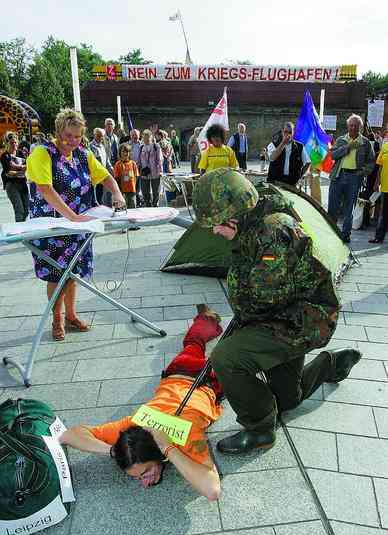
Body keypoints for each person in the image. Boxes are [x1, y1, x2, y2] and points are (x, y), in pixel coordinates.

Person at [192, 168, 362, 455]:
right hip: (282, 315)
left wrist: (241, 327)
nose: (215, 231)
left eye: (217, 224)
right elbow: (257, 298)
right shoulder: (251, 227)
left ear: (235, 215)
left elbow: (263, 296)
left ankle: (259, 429)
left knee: (227, 358)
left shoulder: (273, 231)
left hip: (302, 320)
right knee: (287, 400)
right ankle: (331, 365)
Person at [59, 305, 223, 500]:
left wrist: (168, 448)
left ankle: (206, 318)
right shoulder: (133, 427)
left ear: (156, 451)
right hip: (177, 371)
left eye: (145, 473)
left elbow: (212, 490)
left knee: (213, 349)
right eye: (139, 478)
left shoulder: (186, 434)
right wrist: (113, 451)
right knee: (193, 343)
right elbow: (69, 435)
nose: (145, 483)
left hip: (210, 379)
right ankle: (206, 319)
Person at [26, 108, 125, 341]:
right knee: (55, 274)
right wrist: (72, 216)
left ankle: (71, 315)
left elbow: (106, 177)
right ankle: (57, 319)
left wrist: (118, 195)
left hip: (78, 225)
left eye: (78, 136)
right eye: (68, 135)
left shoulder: (83, 154)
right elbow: (45, 189)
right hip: (53, 226)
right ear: (58, 131)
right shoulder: (43, 153)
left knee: (73, 272)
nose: (73, 141)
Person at [328, 114, 375, 243]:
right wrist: (347, 147)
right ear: (347, 126)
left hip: (355, 177)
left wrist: (363, 172)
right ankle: (331, 232)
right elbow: (332, 155)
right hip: (339, 175)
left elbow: (371, 161)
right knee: (333, 206)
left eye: (356, 126)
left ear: (360, 127)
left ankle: (345, 235)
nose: (353, 128)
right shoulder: (341, 139)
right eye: (351, 125)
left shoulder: (365, 142)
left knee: (349, 208)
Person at [0, 132, 29, 222]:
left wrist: (17, 169)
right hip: (12, 185)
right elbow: (9, 172)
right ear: (7, 143)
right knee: (19, 210)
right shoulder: (5, 156)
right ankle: (20, 232)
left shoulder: (20, 153)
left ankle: (23, 228)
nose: (14, 144)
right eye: (12, 143)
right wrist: (21, 169)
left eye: (15, 142)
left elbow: (27, 166)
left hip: (23, 184)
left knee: (27, 210)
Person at [369, 134, 388, 244]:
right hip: (385, 187)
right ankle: (379, 237)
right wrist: (377, 183)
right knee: (384, 214)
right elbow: (380, 167)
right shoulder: (385, 147)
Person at [138, 129, 163, 207]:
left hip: (155, 172)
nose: (146, 139)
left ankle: (155, 204)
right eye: (144, 137)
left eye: (147, 137)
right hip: (144, 172)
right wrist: (139, 170)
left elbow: (160, 159)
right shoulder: (141, 147)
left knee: (156, 191)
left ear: (151, 137)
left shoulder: (156, 146)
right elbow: (139, 159)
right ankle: (147, 205)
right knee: (145, 191)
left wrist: (160, 171)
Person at [90, 128, 114, 204]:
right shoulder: (90, 146)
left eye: (101, 136)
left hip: (102, 175)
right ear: (94, 135)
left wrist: (111, 168)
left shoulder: (102, 146)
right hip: (94, 175)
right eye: (98, 136)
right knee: (95, 197)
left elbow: (106, 160)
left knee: (101, 196)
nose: (100, 138)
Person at [114, 143, 139, 209]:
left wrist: (136, 189)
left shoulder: (133, 164)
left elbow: (136, 176)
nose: (125, 153)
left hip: (132, 191)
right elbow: (117, 178)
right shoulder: (118, 164)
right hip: (122, 191)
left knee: (132, 207)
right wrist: (119, 191)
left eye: (127, 151)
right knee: (122, 208)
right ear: (120, 153)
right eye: (123, 151)